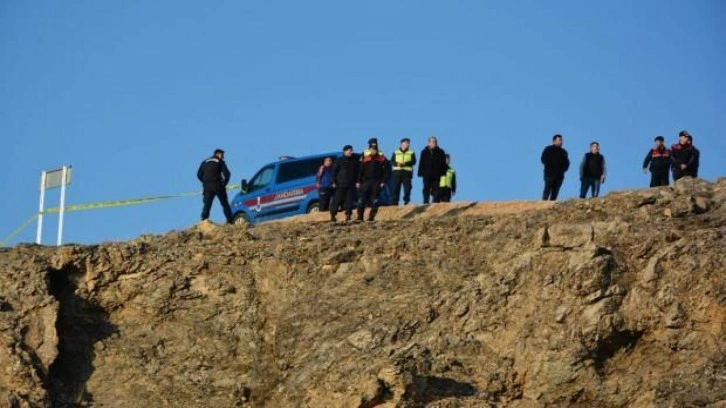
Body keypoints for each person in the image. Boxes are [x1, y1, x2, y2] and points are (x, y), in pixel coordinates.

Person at [197, 148, 234, 223]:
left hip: (207, 186)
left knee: (207, 204)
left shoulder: (205, 162)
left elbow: (198, 174)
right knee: (224, 203)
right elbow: (227, 174)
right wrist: (224, 184)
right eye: (222, 155)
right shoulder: (220, 162)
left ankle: (204, 220)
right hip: (217, 185)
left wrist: (205, 182)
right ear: (218, 154)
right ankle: (230, 221)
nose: (223, 156)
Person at [357, 143, 387, 221]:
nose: (373, 150)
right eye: (372, 149)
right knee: (361, 199)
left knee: (375, 199)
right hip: (366, 182)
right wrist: (358, 181)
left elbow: (385, 172)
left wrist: (383, 181)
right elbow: (360, 171)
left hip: (376, 182)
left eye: (375, 149)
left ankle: (371, 217)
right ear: (369, 150)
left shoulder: (382, 159)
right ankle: (360, 216)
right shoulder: (366, 159)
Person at [330, 145, 359, 222]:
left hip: (350, 184)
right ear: (344, 151)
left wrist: (357, 181)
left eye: (351, 150)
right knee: (337, 200)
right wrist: (333, 181)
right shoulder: (339, 160)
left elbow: (357, 173)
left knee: (349, 200)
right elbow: (334, 172)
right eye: (349, 150)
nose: (351, 152)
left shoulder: (354, 161)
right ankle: (333, 215)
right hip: (340, 184)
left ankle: (348, 215)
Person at [417, 136, 447, 204]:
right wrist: (420, 172)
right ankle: (425, 202)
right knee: (426, 188)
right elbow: (421, 162)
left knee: (436, 189)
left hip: (436, 174)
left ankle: (435, 202)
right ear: (428, 143)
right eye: (432, 142)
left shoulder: (441, 152)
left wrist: (443, 173)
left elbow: (443, 164)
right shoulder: (424, 152)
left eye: (435, 142)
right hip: (426, 174)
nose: (434, 143)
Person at [541, 134, 570, 200]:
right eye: (559, 140)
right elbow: (543, 159)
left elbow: (567, 163)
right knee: (547, 190)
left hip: (559, 176)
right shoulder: (548, 149)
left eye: (561, 140)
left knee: (555, 192)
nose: (561, 142)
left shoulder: (564, 152)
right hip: (549, 174)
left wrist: (563, 170)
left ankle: (552, 206)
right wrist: (549, 167)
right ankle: (543, 204)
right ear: (554, 141)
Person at [390, 138, 417, 205]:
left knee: (407, 188)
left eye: (408, 143)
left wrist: (405, 163)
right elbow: (392, 161)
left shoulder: (411, 152)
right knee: (395, 188)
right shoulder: (396, 152)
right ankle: (394, 203)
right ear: (401, 144)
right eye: (406, 143)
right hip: (397, 173)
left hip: (407, 174)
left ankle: (406, 202)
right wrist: (398, 164)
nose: (408, 144)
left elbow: (414, 161)